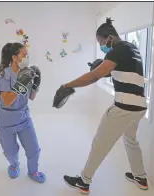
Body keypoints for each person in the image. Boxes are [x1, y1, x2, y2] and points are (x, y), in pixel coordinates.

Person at [58, 18, 148, 194]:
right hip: (139, 107)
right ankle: (140, 176)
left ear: (109, 38)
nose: (101, 46)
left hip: (124, 108)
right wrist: (105, 70)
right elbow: (123, 72)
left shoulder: (117, 49)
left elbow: (94, 76)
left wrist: (67, 85)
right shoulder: (132, 48)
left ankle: (83, 182)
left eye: (101, 42)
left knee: (100, 143)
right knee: (131, 140)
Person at [0, 42, 46, 183]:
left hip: (23, 117)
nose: (28, 57)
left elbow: (31, 97)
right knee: (10, 151)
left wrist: (36, 84)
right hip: (6, 120)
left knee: (34, 149)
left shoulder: (26, 72)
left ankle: (33, 171)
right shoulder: (4, 75)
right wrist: (20, 83)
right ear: (15, 57)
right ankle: (14, 165)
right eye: (24, 55)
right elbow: (8, 101)